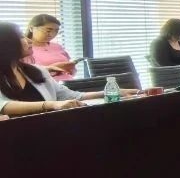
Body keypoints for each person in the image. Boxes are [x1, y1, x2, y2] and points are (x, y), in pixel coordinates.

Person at [0, 22, 137, 117]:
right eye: (21, 37)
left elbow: (70, 96)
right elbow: (3, 105)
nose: (29, 40)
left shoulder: (37, 71)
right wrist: (52, 105)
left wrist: (110, 93)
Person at [24, 14, 77, 81]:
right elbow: (25, 74)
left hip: (67, 84)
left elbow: (70, 70)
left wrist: (72, 70)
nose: (52, 34)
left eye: (56, 31)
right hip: (45, 85)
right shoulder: (25, 49)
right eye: (48, 31)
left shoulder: (57, 46)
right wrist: (51, 68)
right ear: (31, 28)